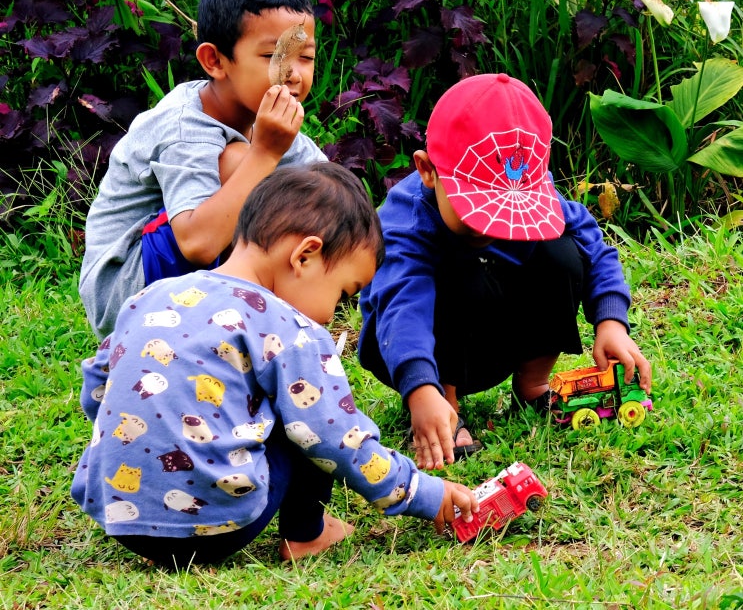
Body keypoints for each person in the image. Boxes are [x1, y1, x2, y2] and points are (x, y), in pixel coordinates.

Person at [71, 162, 479, 568]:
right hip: (216, 531)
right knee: (311, 417)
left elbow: (98, 384)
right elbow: (340, 441)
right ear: (305, 256)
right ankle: (307, 535)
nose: (333, 312)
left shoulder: (153, 297)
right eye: (342, 293)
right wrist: (423, 492)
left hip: (121, 518)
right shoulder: (290, 327)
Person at [358, 73, 652, 472]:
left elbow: (592, 247)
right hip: (412, 344)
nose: (490, 226)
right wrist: (419, 388)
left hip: (492, 329)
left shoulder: (533, 184)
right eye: (477, 208)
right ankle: (444, 405)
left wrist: (611, 321)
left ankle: (533, 387)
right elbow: (401, 310)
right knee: (452, 269)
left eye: (508, 209)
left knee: (561, 253)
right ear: (428, 171)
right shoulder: (406, 224)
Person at [79, 0, 326, 340]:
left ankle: (262, 328)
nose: (292, 74)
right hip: (128, 290)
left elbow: (329, 193)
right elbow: (197, 244)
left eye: (304, 57)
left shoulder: (266, 123)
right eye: (272, 57)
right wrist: (264, 154)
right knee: (239, 163)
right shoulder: (186, 126)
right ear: (215, 61)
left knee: (301, 188)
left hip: (179, 283)